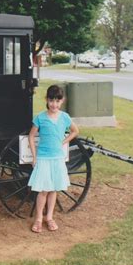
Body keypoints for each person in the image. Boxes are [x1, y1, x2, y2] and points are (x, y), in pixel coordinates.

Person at [28, 84, 79, 233]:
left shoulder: (65, 117)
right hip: (43, 158)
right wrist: (34, 156)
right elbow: (31, 136)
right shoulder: (40, 118)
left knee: (54, 189)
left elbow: (75, 131)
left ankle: (49, 217)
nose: (54, 104)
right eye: (51, 100)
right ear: (46, 100)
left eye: (57, 101)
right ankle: (38, 218)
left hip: (57, 158)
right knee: (43, 190)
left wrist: (63, 142)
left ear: (62, 101)